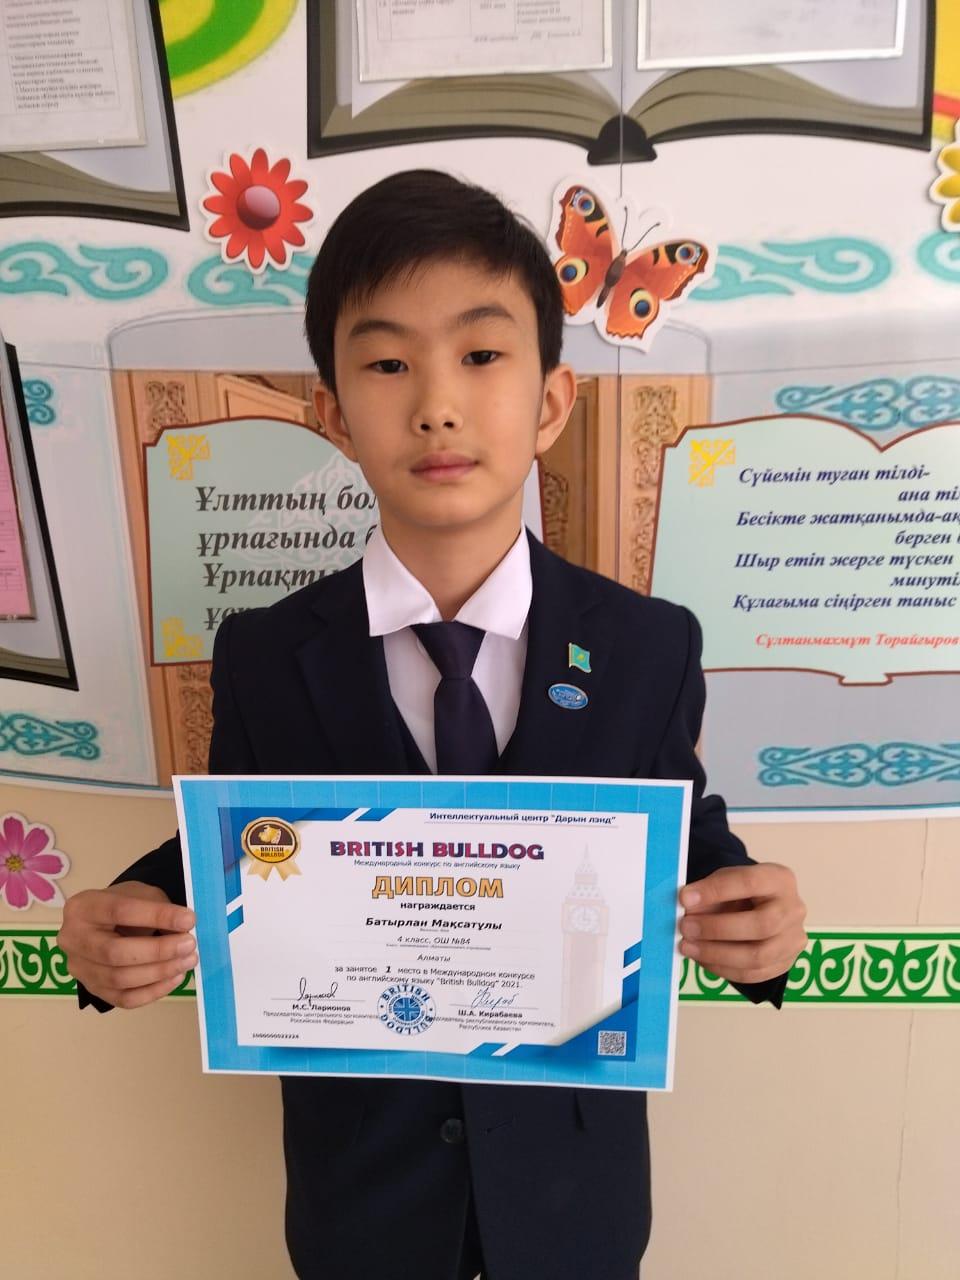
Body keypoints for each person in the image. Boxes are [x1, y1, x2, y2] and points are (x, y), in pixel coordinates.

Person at [58, 169, 807, 1280]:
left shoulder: (648, 645)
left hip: (573, 1199)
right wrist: (122, 924)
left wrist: (755, 919)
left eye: (482, 354)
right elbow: (249, 842)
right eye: (388, 364)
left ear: (550, 402)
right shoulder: (267, 653)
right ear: (333, 414)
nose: (437, 405)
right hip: (363, 1201)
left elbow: (678, 830)